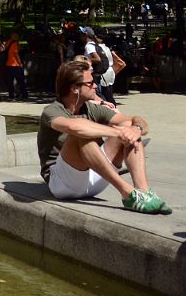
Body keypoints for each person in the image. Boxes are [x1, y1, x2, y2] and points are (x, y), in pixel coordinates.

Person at [35, 58, 170, 214]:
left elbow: (135, 120)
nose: (95, 86)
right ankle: (127, 192)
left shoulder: (91, 108)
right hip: (62, 184)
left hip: (95, 177)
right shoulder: (51, 111)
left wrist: (136, 129)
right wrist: (117, 133)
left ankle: (144, 193)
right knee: (81, 132)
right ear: (74, 89)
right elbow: (73, 126)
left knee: (129, 127)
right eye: (90, 83)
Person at [3, 30, 27, 100]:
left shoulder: (8, 42)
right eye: (16, 36)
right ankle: (24, 95)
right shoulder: (14, 44)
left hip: (8, 65)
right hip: (15, 65)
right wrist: (20, 63)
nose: (18, 37)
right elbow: (16, 54)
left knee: (10, 82)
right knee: (21, 81)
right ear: (14, 36)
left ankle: (11, 96)